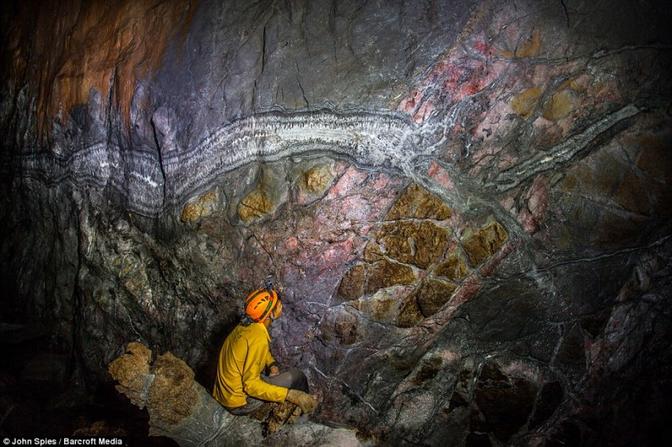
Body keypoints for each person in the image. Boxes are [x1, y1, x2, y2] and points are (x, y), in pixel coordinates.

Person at [212, 286, 317, 416]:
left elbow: (252, 350)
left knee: (276, 377)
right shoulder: (258, 338)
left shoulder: (246, 324)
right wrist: (290, 395)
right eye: (277, 304)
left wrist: (271, 364)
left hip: (224, 391)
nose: (280, 306)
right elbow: (250, 386)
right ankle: (305, 413)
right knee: (297, 377)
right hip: (239, 402)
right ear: (270, 314)